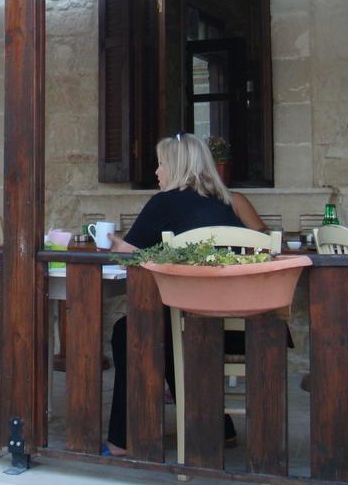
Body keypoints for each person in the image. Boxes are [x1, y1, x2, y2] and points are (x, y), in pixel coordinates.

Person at [104, 133, 266, 456]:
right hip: (244, 325)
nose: (156, 172)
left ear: (176, 167)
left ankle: (122, 441)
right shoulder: (226, 202)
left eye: (161, 163)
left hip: (193, 321)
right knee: (164, 327)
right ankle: (218, 427)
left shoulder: (165, 202)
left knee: (132, 331)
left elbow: (130, 252)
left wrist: (107, 240)